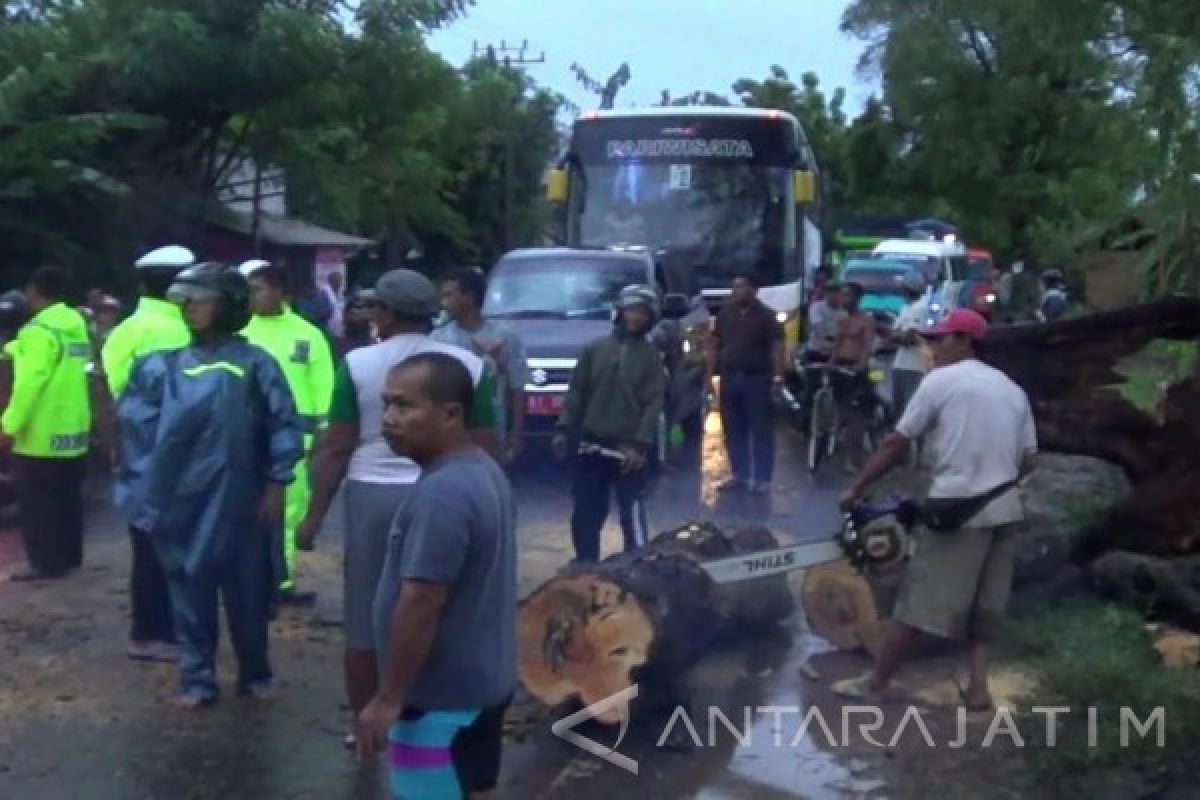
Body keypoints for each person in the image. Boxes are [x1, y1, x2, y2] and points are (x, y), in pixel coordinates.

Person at [296, 268, 498, 748]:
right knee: (441, 603)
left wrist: (313, 515)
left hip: (375, 493)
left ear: (385, 313)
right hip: (449, 489)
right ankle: (433, 716)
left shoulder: (360, 364)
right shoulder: (468, 364)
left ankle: (366, 726)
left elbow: (337, 447)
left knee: (366, 613)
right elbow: (485, 442)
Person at [117, 262, 303, 708]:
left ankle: (255, 673)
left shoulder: (256, 364)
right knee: (189, 589)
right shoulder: (160, 368)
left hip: (244, 501)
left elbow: (283, 425)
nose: (190, 310)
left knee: (249, 592)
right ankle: (197, 679)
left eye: (201, 301)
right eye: (186, 301)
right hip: (183, 503)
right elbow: (136, 436)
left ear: (228, 306)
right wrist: (145, 498)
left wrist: (278, 482)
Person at [835, 309, 1037, 711]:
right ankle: (978, 689)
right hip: (1005, 510)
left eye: (940, 340)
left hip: (958, 509)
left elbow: (897, 443)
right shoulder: (1011, 389)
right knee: (984, 610)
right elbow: (1029, 460)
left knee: (917, 605)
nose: (932, 348)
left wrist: (856, 487)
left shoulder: (940, 382)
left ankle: (875, 684)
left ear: (965, 342)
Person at [356, 352, 516, 799]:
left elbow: (422, 602)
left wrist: (388, 697)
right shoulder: (483, 471)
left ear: (451, 414)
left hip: (438, 704)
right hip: (480, 689)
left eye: (405, 407)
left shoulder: (443, 495)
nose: (389, 419)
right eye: (386, 404)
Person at [104, 244, 195, 660]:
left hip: (140, 451)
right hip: (176, 453)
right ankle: (158, 631)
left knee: (146, 539)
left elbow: (109, 391)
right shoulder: (185, 329)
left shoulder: (127, 330)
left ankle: (153, 629)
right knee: (171, 542)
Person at [238, 259, 336, 606]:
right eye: (249, 290)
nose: (253, 296)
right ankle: (249, 578)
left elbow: (324, 386)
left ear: (280, 291)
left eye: (259, 288)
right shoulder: (240, 332)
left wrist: (325, 432)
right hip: (247, 434)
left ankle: (281, 581)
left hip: (296, 438)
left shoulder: (307, 335)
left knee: (289, 509)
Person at [553, 284, 665, 562]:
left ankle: (638, 564)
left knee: (633, 510)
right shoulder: (594, 350)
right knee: (587, 511)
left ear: (650, 318)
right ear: (620, 312)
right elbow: (577, 391)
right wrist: (564, 428)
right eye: (631, 310)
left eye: (642, 313)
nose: (635, 318)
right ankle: (586, 563)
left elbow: (653, 404)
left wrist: (640, 445)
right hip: (592, 443)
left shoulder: (652, 357)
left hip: (629, 449)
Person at [1, 266, 92, 582]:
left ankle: (44, 563)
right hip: (73, 430)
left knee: (38, 502)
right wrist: (12, 348)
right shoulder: (75, 324)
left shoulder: (37, 332)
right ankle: (69, 556)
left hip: (41, 433)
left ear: (34, 292)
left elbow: (30, 383)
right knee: (68, 497)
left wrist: (9, 425)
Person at [432, 267, 529, 464]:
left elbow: (517, 388)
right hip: (450, 430)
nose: (444, 303)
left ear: (469, 297)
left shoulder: (505, 337)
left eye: (450, 296)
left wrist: (516, 435)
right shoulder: (439, 339)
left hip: (493, 427)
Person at [707, 274, 786, 494]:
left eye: (742, 287)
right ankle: (739, 474)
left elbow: (778, 348)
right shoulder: (725, 315)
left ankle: (762, 478)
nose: (737, 291)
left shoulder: (767, 317)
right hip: (730, 377)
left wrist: (779, 377)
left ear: (754, 290)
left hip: (757, 378)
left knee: (760, 428)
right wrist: (708, 377)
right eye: (734, 287)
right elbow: (714, 345)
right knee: (733, 427)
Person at [830, 281, 877, 470]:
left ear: (857, 298)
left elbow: (867, 344)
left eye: (848, 295)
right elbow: (838, 343)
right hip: (841, 366)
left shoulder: (866, 319)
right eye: (842, 295)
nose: (843, 299)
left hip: (857, 368)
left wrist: (862, 364)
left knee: (856, 416)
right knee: (842, 410)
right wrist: (830, 363)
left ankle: (854, 457)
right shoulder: (842, 319)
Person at [887, 271, 931, 418]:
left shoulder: (920, 308)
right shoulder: (906, 308)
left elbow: (909, 338)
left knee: (909, 410)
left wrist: (893, 335)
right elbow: (896, 333)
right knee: (898, 409)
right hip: (900, 364)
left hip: (914, 366)